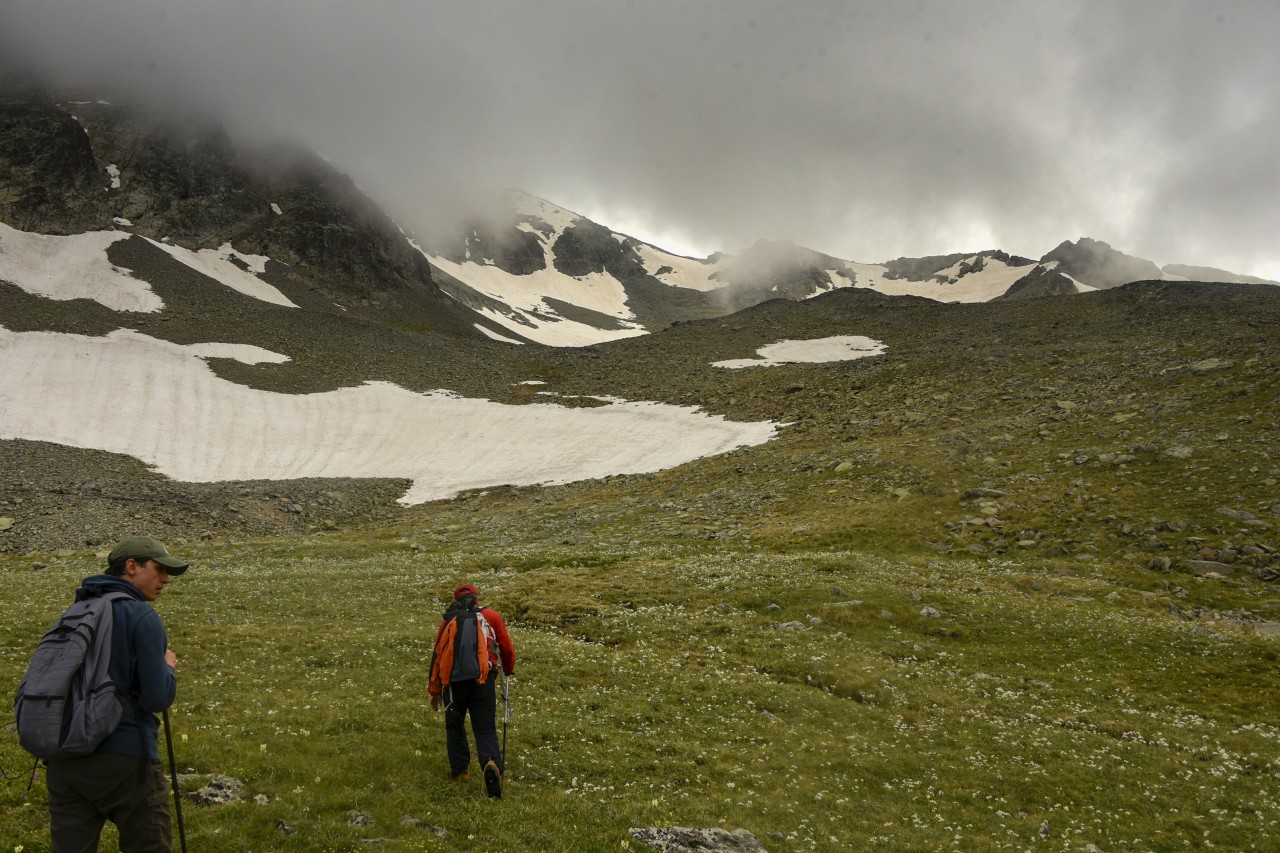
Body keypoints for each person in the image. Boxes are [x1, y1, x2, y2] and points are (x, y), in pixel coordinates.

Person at [45, 535, 189, 853]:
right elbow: (156, 698)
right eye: (160, 569)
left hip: (65, 758)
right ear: (131, 567)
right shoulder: (141, 616)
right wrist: (168, 667)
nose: (165, 579)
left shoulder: (74, 613)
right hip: (125, 760)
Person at [428, 583, 516, 798]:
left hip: (453, 684)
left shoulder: (448, 619)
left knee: (455, 725)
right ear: (476, 598)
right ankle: (491, 763)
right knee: (484, 727)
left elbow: (438, 655)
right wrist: (509, 669)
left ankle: (461, 772)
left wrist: (435, 690)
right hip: (483, 681)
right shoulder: (491, 616)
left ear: (456, 600)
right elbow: (506, 647)